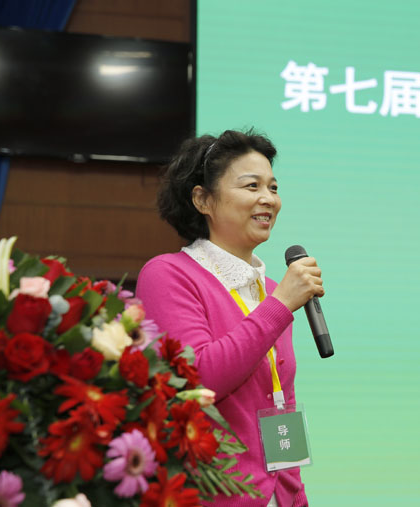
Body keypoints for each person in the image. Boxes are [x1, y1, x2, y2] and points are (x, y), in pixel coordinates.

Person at [136, 129, 323, 507]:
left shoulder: (273, 290)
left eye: (273, 187)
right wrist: (280, 305)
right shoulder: (168, 274)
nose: (268, 198)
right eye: (252, 186)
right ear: (202, 199)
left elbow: (281, 403)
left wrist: (296, 497)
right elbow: (199, 380)